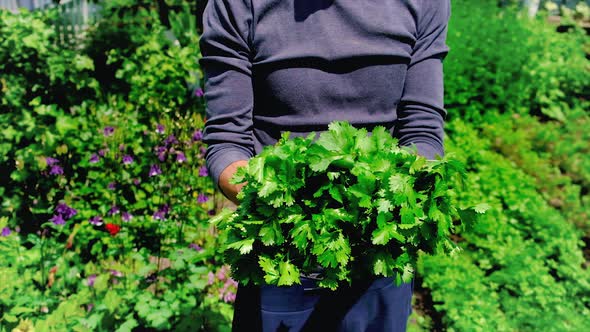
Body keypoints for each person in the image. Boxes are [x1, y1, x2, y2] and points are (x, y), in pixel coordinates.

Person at [199, 0, 451, 331]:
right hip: (281, 256)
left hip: (380, 251)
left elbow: (422, 130)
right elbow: (227, 141)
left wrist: (382, 204)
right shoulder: (238, 4)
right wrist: (287, 208)